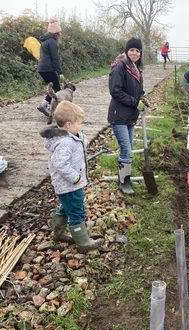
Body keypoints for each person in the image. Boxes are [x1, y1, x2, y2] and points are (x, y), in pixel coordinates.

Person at [39, 101, 104, 252]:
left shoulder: (70, 135)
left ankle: (59, 232)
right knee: (76, 210)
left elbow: (79, 137)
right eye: (79, 123)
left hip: (69, 184)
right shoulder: (64, 142)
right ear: (68, 124)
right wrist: (75, 177)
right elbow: (60, 164)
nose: (81, 126)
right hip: (69, 184)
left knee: (66, 207)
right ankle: (83, 243)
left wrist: (84, 140)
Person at [108, 37, 146, 195]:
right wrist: (134, 102)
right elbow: (115, 90)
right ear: (126, 51)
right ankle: (125, 182)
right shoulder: (120, 67)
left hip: (130, 115)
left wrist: (143, 100)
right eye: (132, 50)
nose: (135, 53)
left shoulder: (137, 70)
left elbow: (139, 92)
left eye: (137, 51)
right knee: (126, 148)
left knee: (128, 147)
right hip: (119, 115)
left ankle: (123, 177)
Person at [37, 18, 64, 117]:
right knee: (56, 88)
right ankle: (45, 104)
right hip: (48, 68)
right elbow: (55, 58)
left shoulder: (44, 41)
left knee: (51, 86)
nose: (60, 34)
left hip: (41, 68)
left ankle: (47, 105)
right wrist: (60, 72)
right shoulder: (52, 42)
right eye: (59, 32)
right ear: (55, 33)